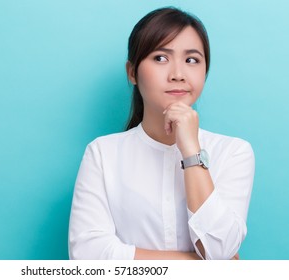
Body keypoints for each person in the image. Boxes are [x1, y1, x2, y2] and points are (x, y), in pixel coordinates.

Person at [68, 7, 254, 260]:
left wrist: (191, 151)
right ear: (132, 72)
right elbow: (87, 256)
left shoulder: (233, 152)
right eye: (160, 58)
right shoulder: (102, 153)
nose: (178, 74)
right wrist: (203, 267)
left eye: (191, 60)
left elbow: (218, 250)